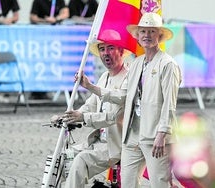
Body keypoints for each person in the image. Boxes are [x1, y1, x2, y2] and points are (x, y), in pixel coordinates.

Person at [81, 12, 182, 188]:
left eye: (151, 31)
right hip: (132, 135)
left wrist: (162, 133)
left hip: (156, 136)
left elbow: (169, 104)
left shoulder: (168, 65)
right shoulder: (137, 63)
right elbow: (124, 96)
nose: (147, 35)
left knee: (160, 183)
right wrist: (91, 87)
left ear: (159, 35)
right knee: (127, 183)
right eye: (143, 31)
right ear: (138, 37)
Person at [51, 29, 130, 188]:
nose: (106, 53)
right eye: (102, 49)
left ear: (121, 51)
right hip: (97, 142)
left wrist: (84, 116)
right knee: (60, 159)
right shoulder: (104, 77)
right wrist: (70, 116)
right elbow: (90, 104)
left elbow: (114, 116)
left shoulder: (129, 78)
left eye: (111, 48)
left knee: (80, 161)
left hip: (117, 145)